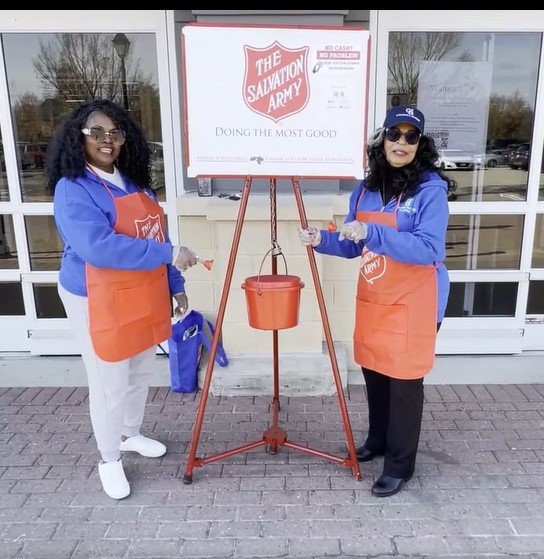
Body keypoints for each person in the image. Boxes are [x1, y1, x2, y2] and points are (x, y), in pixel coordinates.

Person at [47, 99, 198, 500]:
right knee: (108, 379)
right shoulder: (73, 188)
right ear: (78, 138)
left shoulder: (134, 183)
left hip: (143, 292)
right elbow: (99, 247)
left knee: (139, 370)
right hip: (95, 297)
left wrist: (174, 282)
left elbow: (155, 235)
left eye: (114, 133)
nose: (106, 140)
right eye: (96, 132)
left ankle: (130, 434)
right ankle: (109, 458)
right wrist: (168, 255)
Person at [298, 105, 451, 497]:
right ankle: (378, 440)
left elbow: (429, 248)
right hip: (376, 299)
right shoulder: (365, 188)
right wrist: (322, 240)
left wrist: (372, 233)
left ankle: (400, 465)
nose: (401, 143)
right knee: (375, 375)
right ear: (382, 140)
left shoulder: (430, 189)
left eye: (410, 136)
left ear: (421, 144)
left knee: (403, 384)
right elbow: (354, 243)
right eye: (394, 135)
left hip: (415, 303)